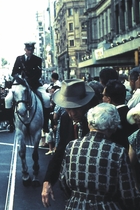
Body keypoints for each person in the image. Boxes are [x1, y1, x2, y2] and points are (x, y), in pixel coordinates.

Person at [59, 103, 139, 210]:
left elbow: (63, 182)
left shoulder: (71, 146)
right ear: (113, 126)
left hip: (74, 205)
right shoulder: (118, 151)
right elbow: (127, 193)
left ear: (89, 124)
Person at [41, 79, 97, 207]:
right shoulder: (66, 118)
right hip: (73, 187)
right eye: (68, 108)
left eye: (77, 108)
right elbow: (60, 150)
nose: (72, 113)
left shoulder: (95, 119)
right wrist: (48, 181)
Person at [5, 42, 51, 133]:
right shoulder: (19, 59)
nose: (30, 52)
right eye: (28, 50)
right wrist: (20, 80)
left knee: (46, 98)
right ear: (25, 50)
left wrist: (30, 82)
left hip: (34, 84)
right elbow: (14, 73)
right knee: (7, 99)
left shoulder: (38, 59)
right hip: (19, 84)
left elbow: (38, 74)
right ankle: (10, 122)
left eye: (31, 50)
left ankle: (45, 124)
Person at [102, 80, 137, 149]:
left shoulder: (109, 119)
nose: (102, 98)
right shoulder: (134, 115)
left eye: (103, 95)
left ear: (109, 100)